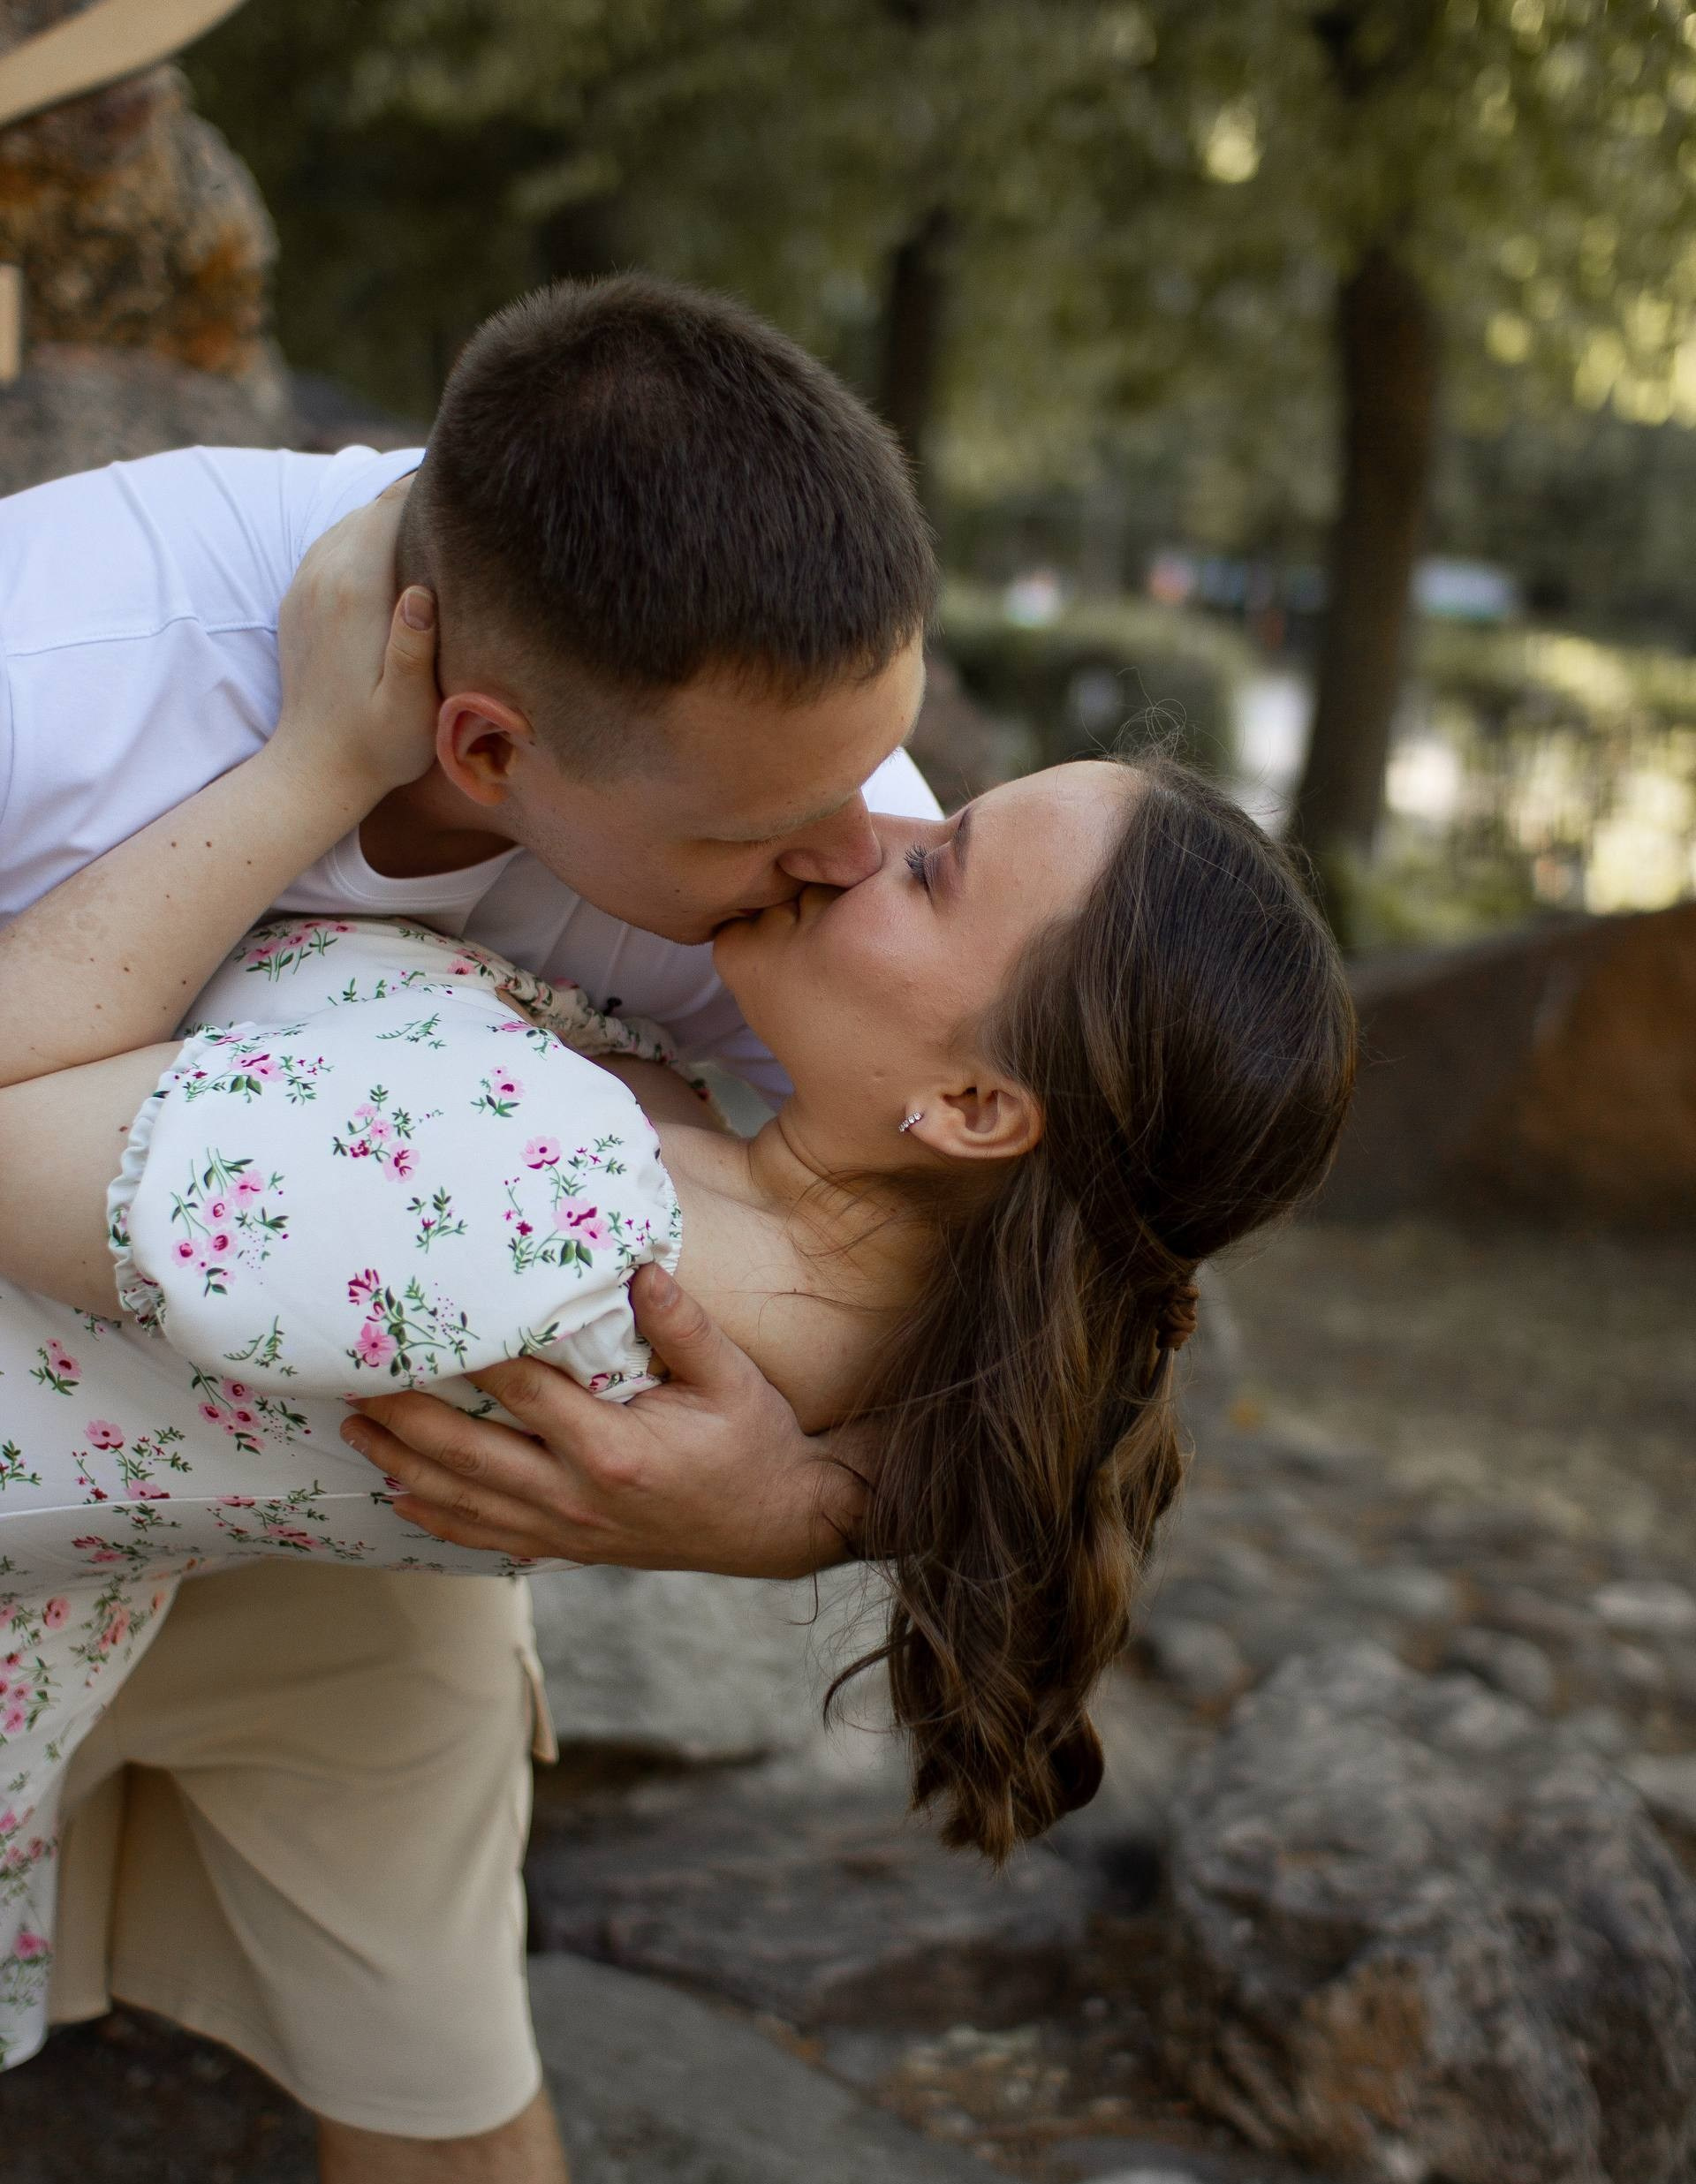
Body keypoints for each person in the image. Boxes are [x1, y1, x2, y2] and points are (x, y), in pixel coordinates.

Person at [0, 534, 1354, 2099]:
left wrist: (315, 763)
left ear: (976, 1105)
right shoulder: (815, 1275)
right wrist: (819, 1509)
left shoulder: (540, 1219)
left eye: (931, 868)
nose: (862, 834)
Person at [0, 271, 944, 2184]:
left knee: (436, 2060)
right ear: (491, 743)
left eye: (887, 782)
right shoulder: (62, 656)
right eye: (789, 835)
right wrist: (302, 782)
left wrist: (790, 1507)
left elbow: (1091, 1306)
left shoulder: (820, 797)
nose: (862, 855)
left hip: (376, 1508)